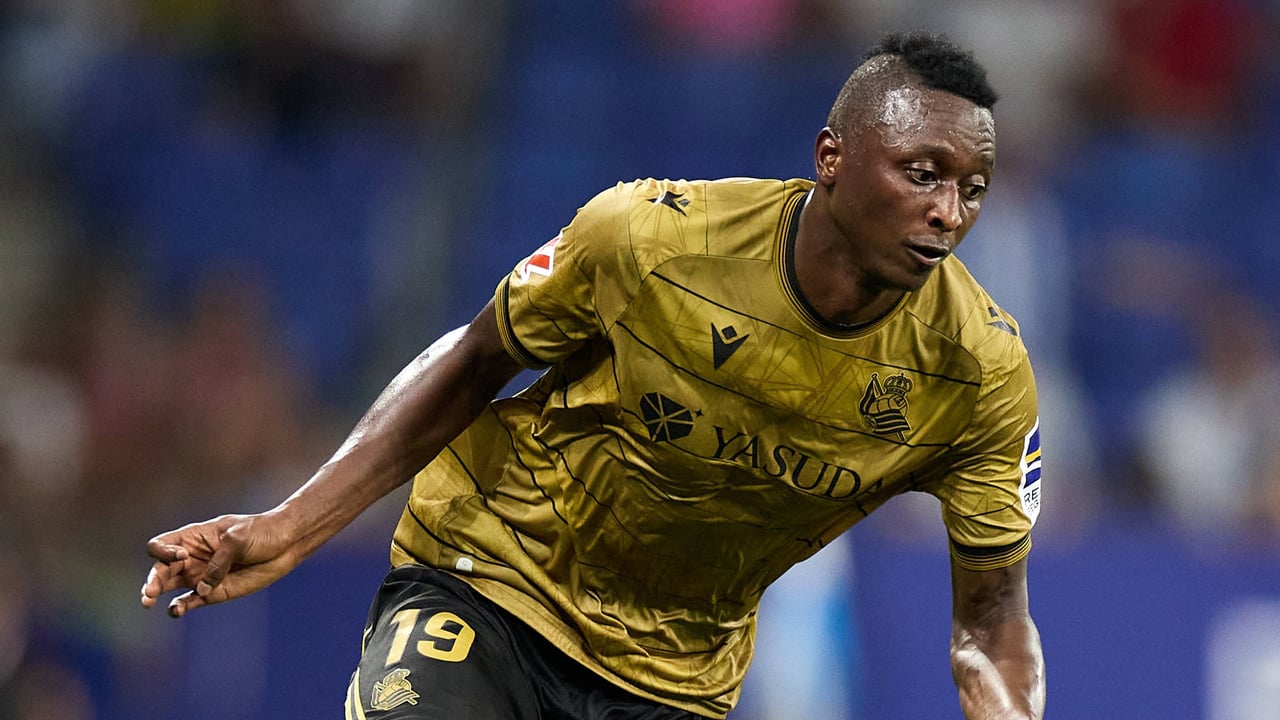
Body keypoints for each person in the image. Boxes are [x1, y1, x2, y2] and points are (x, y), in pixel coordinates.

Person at [140, 31, 1046, 719]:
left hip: (672, 680)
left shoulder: (981, 376)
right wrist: (288, 527)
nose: (947, 212)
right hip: (491, 579)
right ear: (831, 158)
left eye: (971, 189)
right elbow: (475, 358)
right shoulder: (650, 240)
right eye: (922, 174)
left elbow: (992, 620)